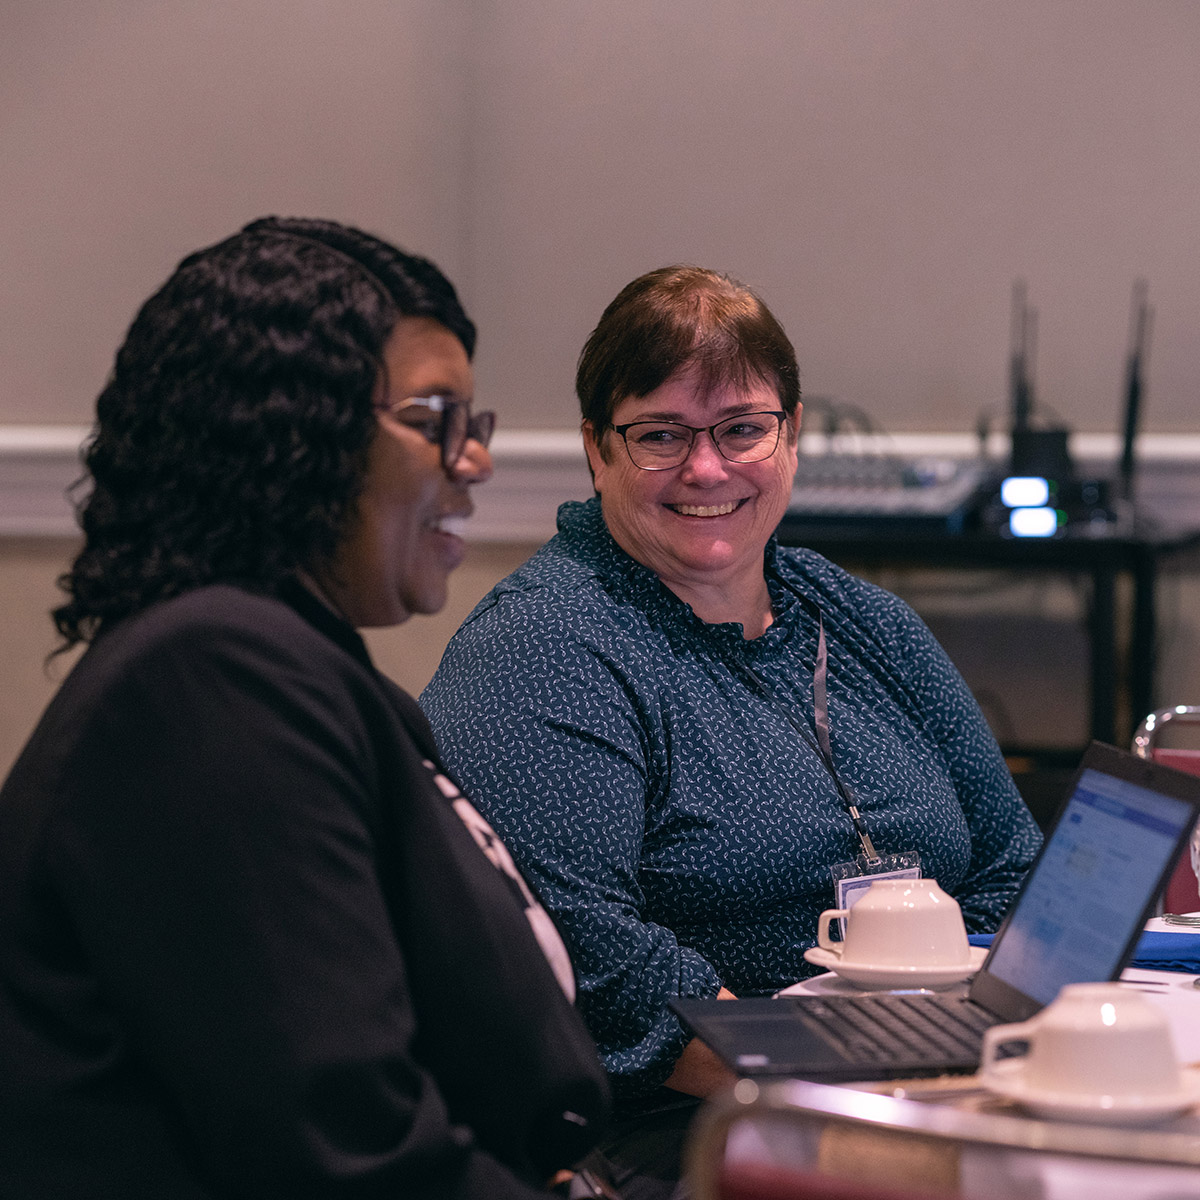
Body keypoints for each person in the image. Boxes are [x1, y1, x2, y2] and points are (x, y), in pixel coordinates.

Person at [0, 217, 613, 1199]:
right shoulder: (209, 685)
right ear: (294, 428)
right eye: (435, 419)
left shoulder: (310, 676)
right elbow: (348, 1158)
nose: (477, 463)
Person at [420, 265, 1043, 1195]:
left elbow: (1009, 861)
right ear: (597, 449)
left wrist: (966, 1054)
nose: (707, 470)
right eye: (660, 435)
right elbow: (596, 965)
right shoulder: (544, 649)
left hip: (928, 1085)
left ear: (789, 437)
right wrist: (865, 1090)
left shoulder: (860, 619)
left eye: (743, 429)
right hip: (685, 1134)